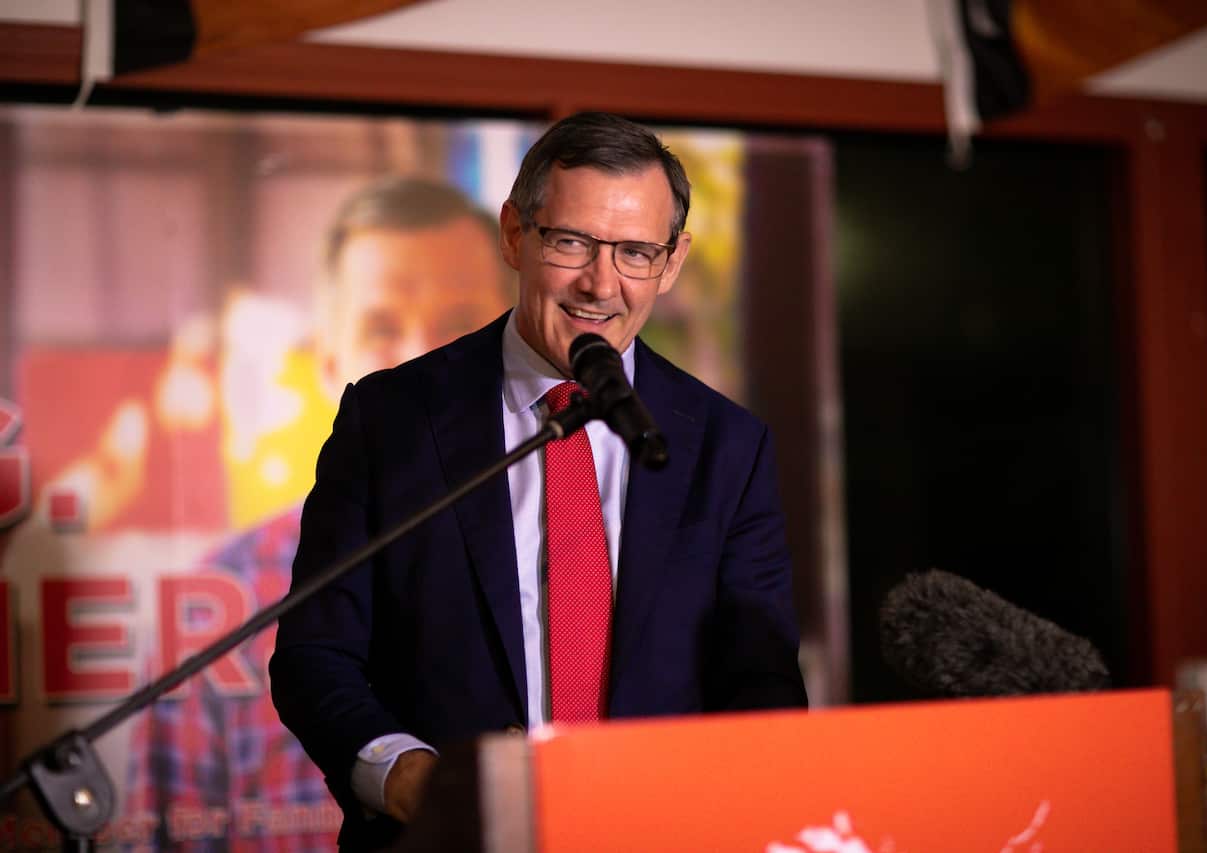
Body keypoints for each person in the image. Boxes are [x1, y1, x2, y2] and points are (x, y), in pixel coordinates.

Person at [271, 112, 809, 851]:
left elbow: (763, 684)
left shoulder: (727, 445)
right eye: (572, 242)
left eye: (634, 252)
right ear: (516, 235)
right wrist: (409, 778)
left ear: (673, 262)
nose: (600, 282)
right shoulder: (389, 419)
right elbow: (315, 655)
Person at [124, 175, 511, 851]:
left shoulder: (586, 572)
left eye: (459, 325)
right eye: (382, 327)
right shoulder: (219, 609)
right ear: (330, 364)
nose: (421, 356)